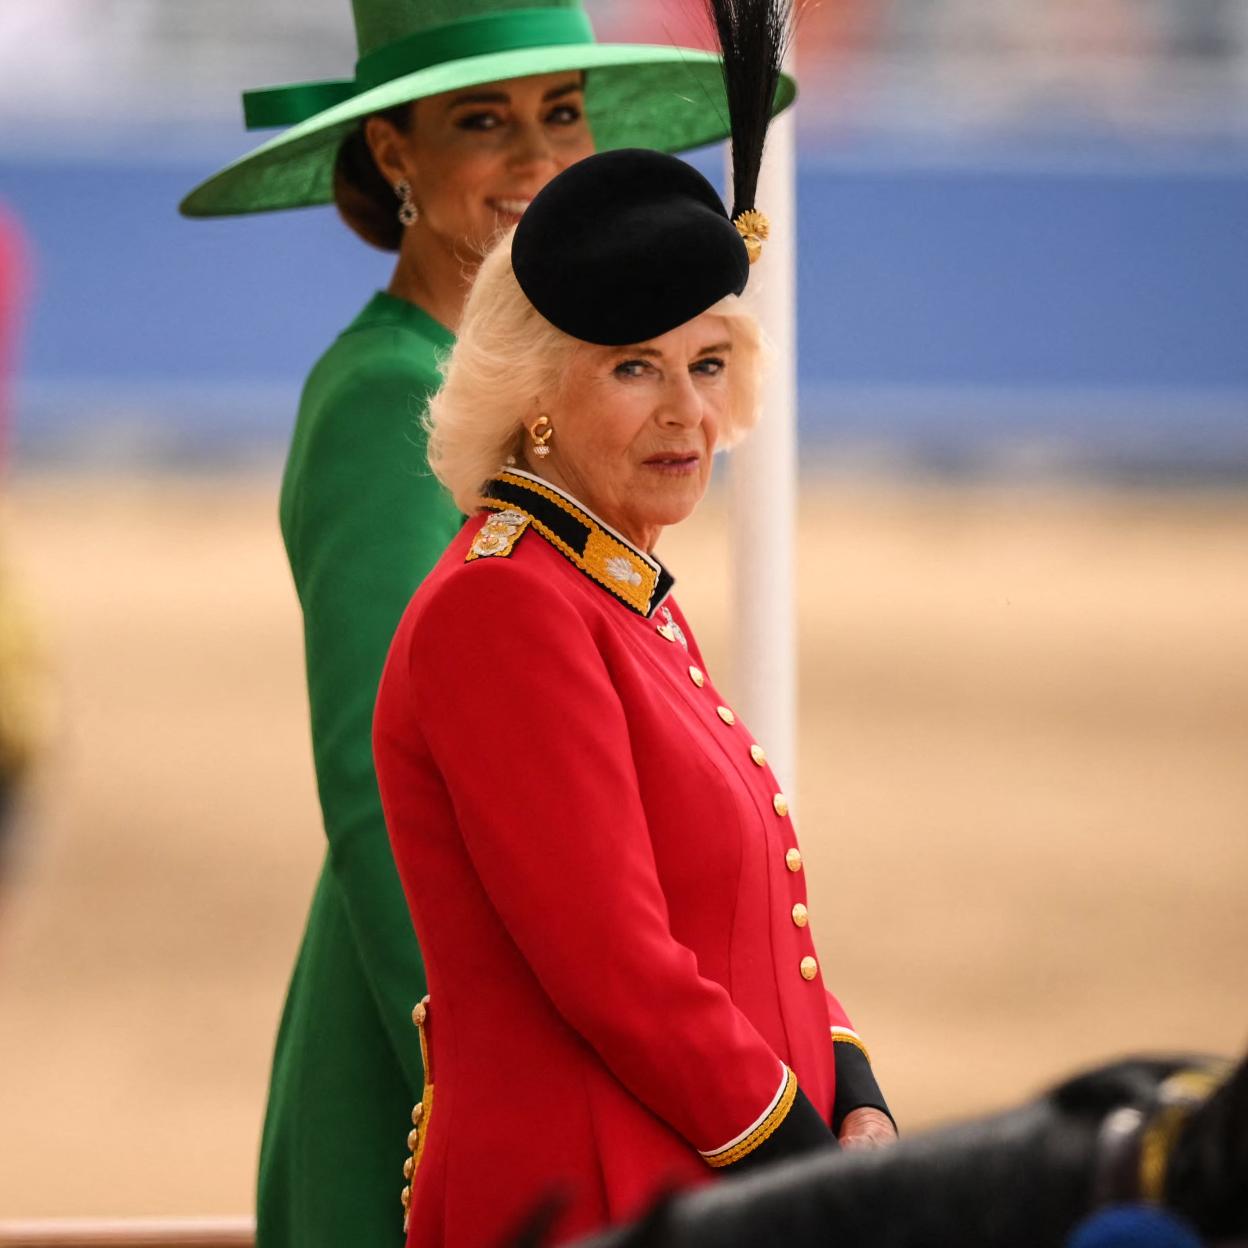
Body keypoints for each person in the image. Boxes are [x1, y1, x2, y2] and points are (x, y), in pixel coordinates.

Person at [179, 3, 793, 1244]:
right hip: (442, 1050)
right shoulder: (386, 398)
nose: (536, 158)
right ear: (395, 155)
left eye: (561, 112)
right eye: (482, 122)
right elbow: (374, 783)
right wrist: (484, 1090)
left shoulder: (574, 376)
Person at [372, 5, 893, 1242]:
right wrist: (809, 1172)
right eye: (634, 367)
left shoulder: (613, 587)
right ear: (535, 397)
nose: (685, 415)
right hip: (590, 1198)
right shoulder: (505, 608)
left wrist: (856, 1093)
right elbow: (620, 970)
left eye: (707, 365)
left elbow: (752, 923)